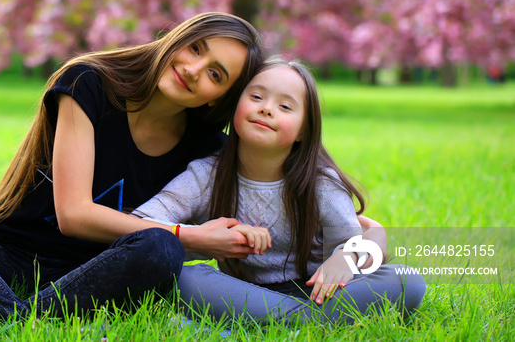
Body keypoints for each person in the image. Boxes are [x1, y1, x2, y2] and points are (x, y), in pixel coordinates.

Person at [0, 12, 266, 324]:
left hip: (93, 281)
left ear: (221, 98)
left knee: (160, 248)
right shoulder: (89, 82)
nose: (194, 69)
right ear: (175, 38)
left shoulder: (209, 151)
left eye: (216, 74)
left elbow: (287, 193)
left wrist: (328, 253)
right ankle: (15, 320)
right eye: (195, 48)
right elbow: (74, 215)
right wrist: (192, 236)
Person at [133, 56, 426, 323]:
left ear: (303, 131)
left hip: (320, 294)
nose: (266, 109)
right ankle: (308, 323)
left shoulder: (320, 183)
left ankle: (283, 321)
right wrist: (207, 235)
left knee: (406, 281)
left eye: (285, 106)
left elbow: (355, 245)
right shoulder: (205, 175)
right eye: (257, 96)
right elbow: (142, 225)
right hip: (241, 294)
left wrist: (346, 257)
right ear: (236, 105)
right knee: (185, 278)